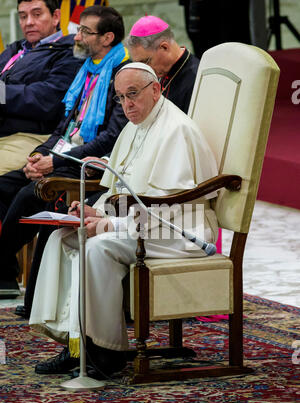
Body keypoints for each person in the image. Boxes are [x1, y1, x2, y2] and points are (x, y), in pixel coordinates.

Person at [29, 63, 218, 378]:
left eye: (133, 94)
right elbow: (120, 190)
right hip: (144, 226)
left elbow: (168, 208)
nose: (127, 105)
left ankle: (108, 351)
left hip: (181, 231)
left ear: (155, 89)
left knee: (98, 248)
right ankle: (77, 343)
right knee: (63, 237)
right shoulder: (135, 125)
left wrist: (109, 225)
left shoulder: (176, 130)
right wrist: (96, 213)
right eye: (120, 97)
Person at [0, 5, 129, 299]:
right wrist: (39, 154)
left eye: (85, 31)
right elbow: (64, 126)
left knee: (30, 193)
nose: (77, 36)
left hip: (90, 162)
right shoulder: (87, 69)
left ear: (107, 37)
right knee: (5, 185)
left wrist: (54, 160)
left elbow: (110, 137)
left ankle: (5, 272)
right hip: (64, 153)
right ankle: (5, 273)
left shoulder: (119, 73)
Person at [0, 0, 82, 174]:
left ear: (56, 17)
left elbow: (47, 99)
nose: (28, 22)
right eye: (23, 16)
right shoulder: (14, 51)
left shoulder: (69, 52)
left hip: (31, 136)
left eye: (37, 14)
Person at [125, 15, 200, 113]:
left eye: (146, 61)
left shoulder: (196, 80)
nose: (144, 70)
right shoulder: (160, 72)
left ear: (164, 47)